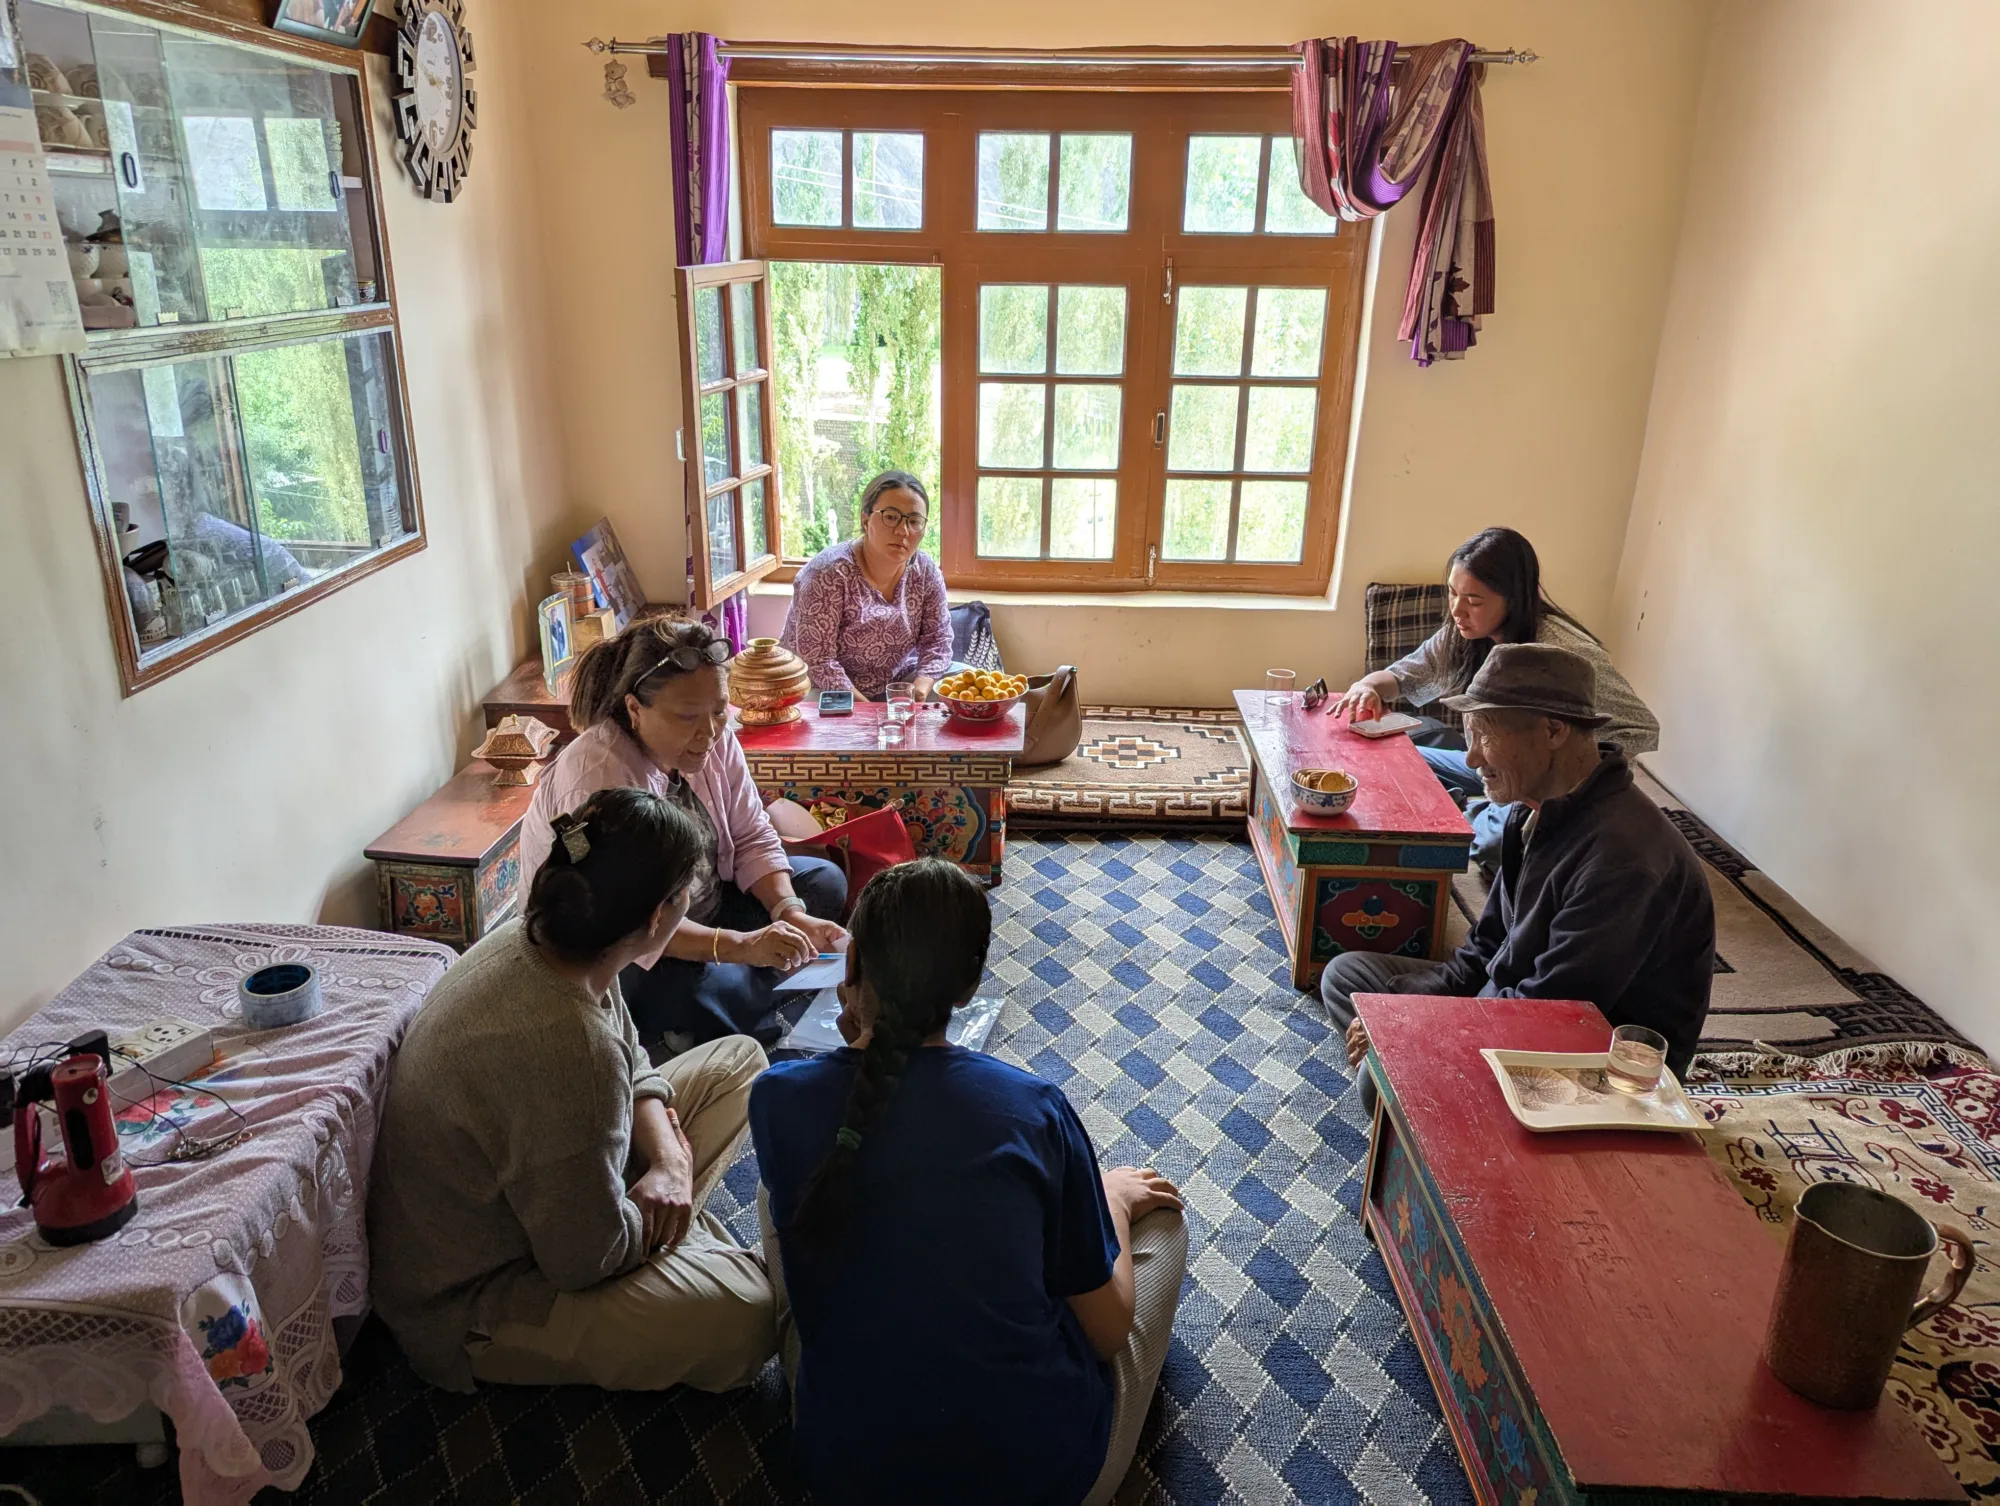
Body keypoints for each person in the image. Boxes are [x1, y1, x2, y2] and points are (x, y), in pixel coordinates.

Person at [750, 860, 1189, 1506]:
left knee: (776, 1190)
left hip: (845, 1470)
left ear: (853, 972)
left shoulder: (777, 1099)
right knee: (1162, 1225)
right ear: (967, 987)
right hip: (1042, 1476)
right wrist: (1111, 1202)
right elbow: (1105, 1330)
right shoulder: (1032, 1108)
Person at [369, 787, 776, 1394]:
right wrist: (655, 1215)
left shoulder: (545, 938)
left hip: (558, 1190)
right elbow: (586, 1260)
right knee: (749, 1315)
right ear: (655, 920)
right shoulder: (568, 1050)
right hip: (478, 1292)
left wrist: (667, 1163)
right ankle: (681, 1244)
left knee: (739, 1063)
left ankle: (676, 1232)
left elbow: (632, 1050)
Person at [1321, 644, 1715, 1110]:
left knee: (1380, 1076)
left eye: (1484, 736)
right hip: (1517, 1004)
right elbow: (1487, 948)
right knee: (1347, 976)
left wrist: (1416, 1025)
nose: (1469, 760)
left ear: (1553, 730)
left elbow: (1549, 1014)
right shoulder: (1531, 810)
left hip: (1595, 1062)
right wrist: (1398, 1013)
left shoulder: (1624, 859)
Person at [521, 618, 848, 1048]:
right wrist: (742, 946)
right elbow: (624, 919)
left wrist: (788, 912)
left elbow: (751, 833)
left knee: (823, 881)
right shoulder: (599, 779)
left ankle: (751, 986)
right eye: (688, 716)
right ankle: (744, 989)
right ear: (635, 709)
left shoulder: (714, 736)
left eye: (718, 711)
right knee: (706, 992)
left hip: (703, 905)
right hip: (634, 943)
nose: (710, 732)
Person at [1332, 527, 1658, 868]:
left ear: (1513, 599)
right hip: (1488, 765)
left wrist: (1566, 787)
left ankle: (1479, 811)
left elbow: (1639, 728)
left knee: (1494, 848)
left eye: (1473, 601)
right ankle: (1476, 805)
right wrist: (1366, 688)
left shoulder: (1563, 651)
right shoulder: (1463, 634)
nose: (1457, 610)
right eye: (1452, 593)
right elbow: (1399, 676)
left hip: (1538, 783)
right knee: (1389, 762)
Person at [780, 470, 953, 701]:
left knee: (964, 688)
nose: (903, 531)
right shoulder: (827, 574)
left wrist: (920, 691)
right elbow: (818, 661)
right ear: (865, 519)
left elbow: (938, 640)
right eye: (891, 517)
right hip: (822, 687)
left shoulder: (925, 571)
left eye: (914, 522)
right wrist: (872, 712)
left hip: (894, 683)